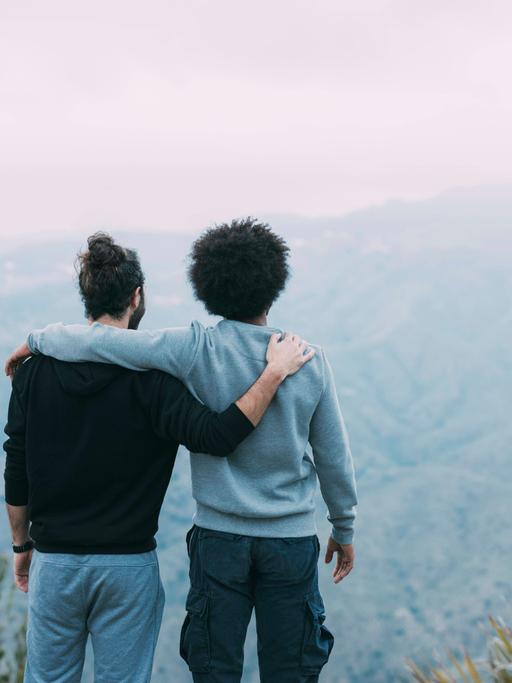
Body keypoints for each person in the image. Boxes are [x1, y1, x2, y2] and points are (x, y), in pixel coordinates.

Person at [6, 217, 358, 683]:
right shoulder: (306, 359)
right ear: (274, 290)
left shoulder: (194, 349)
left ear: (207, 287)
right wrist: (343, 525)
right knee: (291, 669)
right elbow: (333, 458)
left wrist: (38, 339)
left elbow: (106, 343)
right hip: (287, 540)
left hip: (215, 539)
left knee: (214, 670)